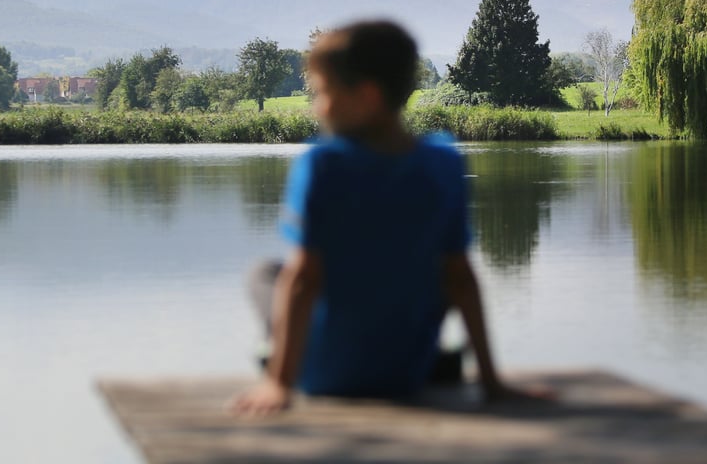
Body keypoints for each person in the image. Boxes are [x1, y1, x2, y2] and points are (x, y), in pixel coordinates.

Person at [232, 21, 541, 416]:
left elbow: (304, 279)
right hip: (406, 372)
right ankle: (427, 354)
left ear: (367, 96)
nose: (317, 107)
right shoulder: (443, 165)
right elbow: (461, 279)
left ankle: (278, 359)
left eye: (324, 93)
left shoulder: (323, 165)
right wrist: (492, 383)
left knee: (265, 274)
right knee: (430, 267)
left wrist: (278, 385)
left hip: (327, 375)